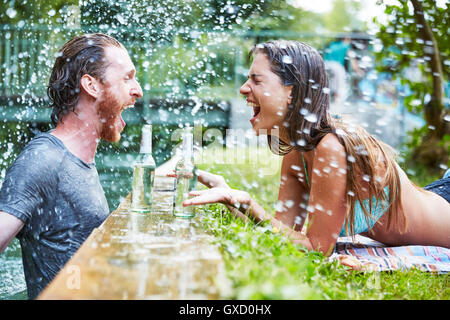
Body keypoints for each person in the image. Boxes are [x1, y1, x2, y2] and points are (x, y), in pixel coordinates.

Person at [184, 40, 450, 257]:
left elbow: (316, 249)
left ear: (291, 91)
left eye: (256, 79)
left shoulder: (331, 147)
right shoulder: (296, 150)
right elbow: (283, 233)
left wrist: (248, 202)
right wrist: (232, 197)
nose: (243, 88)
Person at [0, 33, 143, 299]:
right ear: (91, 85)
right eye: (127, 78)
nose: (138, 90)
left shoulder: (80, 160)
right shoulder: (44, 159)